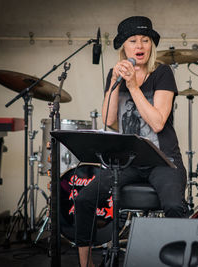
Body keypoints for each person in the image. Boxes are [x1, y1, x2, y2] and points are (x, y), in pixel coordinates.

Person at [75, 16, 187, 267]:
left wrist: (134, 87)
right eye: (133, 40)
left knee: (173, 205)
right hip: (129, 160)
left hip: (163, 159)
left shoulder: (162, 73)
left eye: (145, 40)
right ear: (123, 48)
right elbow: (109, 119)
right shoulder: (114, 75)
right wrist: (115, 84)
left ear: (151, 45)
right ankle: (85, 264)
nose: (140, 45)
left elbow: (158, 123)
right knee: (83, 198)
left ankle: (173, 261)